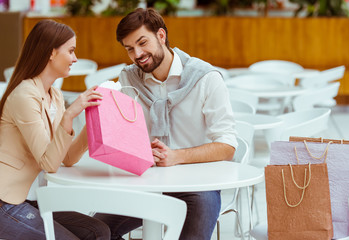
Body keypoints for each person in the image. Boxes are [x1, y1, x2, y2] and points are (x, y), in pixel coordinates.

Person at [94, 8, 238, 240]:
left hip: (197, 186)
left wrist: (176, 156)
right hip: (143, 181)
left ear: (161, 36)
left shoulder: (206, 79)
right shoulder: (128, 79)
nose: (137, 54)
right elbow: (123, 136)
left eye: (142, 43)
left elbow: (227, 146)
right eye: (129, 49)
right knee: (93, 232)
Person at [0, 19, 110, 240]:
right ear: (51, 53)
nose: (75, 58)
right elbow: (49, 163)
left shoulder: (55, 95)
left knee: (99, 231)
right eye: (70, 51)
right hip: (6, 201)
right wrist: (70, 115)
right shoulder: (24, 95)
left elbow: (66, 157)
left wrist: (94, 123)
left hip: (30, 199)